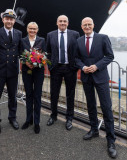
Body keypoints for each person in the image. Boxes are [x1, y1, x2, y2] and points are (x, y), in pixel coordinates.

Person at [75, 17, 117, 158]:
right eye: (84, 25)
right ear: (82, 27)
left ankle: (111, 140)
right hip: (87, 77)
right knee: (91, 105)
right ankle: (94, 130)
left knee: (106, 108)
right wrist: (83, 67)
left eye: (89, 24)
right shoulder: (79, 41)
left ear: (93, 25)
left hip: (101, 78)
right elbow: (76, 59)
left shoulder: (103, 38)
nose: (87, 27)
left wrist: (97, 66)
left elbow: (110, 56)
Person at [0, 9, 22, 133]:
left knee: (12, 96)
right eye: (7, 19)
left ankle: (12, 118)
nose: (9, 21)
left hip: (13, 71)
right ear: (3, 19)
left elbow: (20, 51)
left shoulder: (19, 33)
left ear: (14, 21)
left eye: (11, 19)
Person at [46, 15, 80, 130]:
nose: (62, 23)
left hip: (70, 68)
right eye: (60, 21)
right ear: (57, 23)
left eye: (64, 21)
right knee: (54, 93)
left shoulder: (75, 34)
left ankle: (69, 118)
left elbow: (78, 52)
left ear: (68, 23)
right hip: (56, 68)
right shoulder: (50, 35)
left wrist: (75, 66)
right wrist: (50, 66)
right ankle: (53, 115)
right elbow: (48, 52)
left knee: (70, 94)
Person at [20, 22, 46, 134]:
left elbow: (45, 54)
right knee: (29, 95)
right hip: (27, 71)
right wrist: (26, 62)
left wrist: (39, 61)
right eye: (30, 28)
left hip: (38, 72)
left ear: (37, 29)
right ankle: (28, 119)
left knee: (37, 96)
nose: (32, 30)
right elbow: (20, 54)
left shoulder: (42, 40)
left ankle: (37, 122)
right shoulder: (22, 41)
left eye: (34, 29)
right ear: (27, 29)